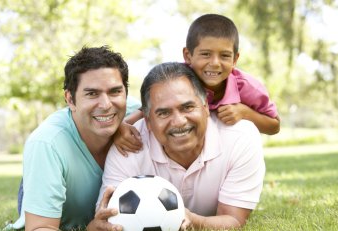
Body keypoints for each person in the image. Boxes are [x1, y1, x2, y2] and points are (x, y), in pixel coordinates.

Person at [96, 62, 266, 231]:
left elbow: (234, 219)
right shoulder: (127, 146)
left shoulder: (240, 138)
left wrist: (193, 221)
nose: (179, 122)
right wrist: (99, 226)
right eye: (163, 113)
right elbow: (107, 217)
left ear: (205, 106)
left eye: (187, 107)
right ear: (147, 121)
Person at [5, 45, 133, 231]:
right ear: (70, 99)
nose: (106, 104)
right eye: (92, 94)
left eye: (115, 91)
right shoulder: (47, 143)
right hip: (51, 179)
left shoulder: (133, 109)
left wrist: (127, 123)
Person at [113, 13, 280, 156]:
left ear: (235, 59)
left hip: (226, 152)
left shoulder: (247, 86)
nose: (215, 63)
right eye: (206, 54)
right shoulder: (180, 78)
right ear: (188, 55)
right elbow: (149, 108)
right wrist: (122, 127)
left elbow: (274, 126)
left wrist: (245, 112)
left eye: (225, 56)